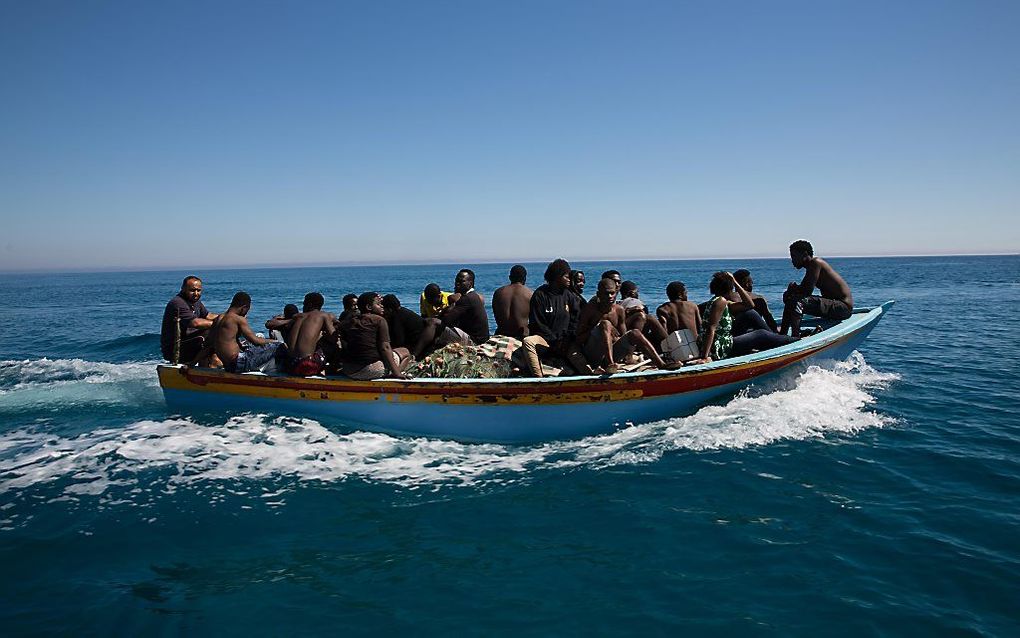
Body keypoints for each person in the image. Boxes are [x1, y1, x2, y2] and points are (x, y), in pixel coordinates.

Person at [576, 278, 679, 374]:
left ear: (616, 293)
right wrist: (598, 327)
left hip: (613, 352)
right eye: (606, 294)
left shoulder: (619, 310)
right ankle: (610, 364)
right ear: (599, 294)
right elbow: (579, 339)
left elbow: (623, 335)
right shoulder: (590, 310)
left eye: (612, 293)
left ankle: (661, 364)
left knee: (635, 333)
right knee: (605, 324)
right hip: (593, 355)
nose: (610, 297)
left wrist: (614, 337)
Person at [696, 272, 797, 363]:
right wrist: (705, 356)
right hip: (721, 347)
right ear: (729, 287)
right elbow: (711, 328)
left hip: (722, 342)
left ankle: (777, 340)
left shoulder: (720, 301)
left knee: (749, 313)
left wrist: (735, 282)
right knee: (761, 334)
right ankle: (794, 342)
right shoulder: (720, 302)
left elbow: (749, 305)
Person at [520, 258, 582, 377]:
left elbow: (575, 319)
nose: (570, 279)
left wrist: (566, 339)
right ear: (557, 277)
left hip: (565, 342)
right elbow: (538, 324)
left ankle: (591, 376)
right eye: (566, 276)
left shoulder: (569, 295)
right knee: (528, 342)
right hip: (546, 341)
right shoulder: (540, 295)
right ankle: (538, 378)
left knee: (581, 362)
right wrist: (554, 340)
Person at [780, 240, 854, 337]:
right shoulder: (811, 267)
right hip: (834, 306)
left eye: (794, 256)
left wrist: (794, 289)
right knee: (790, 298)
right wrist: (792, 291)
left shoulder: (816, 263)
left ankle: (795, 336)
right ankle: (782, 334)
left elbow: (807, 291)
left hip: (843, 307)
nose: (792, 261)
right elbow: (804, 289)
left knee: (796, 301)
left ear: (805, 254)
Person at [341, 292, 412, 380]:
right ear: (369, 307)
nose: (382, 306)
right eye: (378, 304)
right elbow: (385, 348)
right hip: (367, 371)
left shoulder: (351, 321)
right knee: (405, 352)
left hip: (349, 370)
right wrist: (397, 373)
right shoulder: (379, 320)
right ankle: (395, 373)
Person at [208, 292, 283, 373]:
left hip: (228, 366)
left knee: (258, 338)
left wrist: (193, 362)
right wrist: (275, 341)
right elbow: (255, 341)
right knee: (279, 345)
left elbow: (208, 343)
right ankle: (282, 371)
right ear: (244, 307)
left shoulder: (218, 318)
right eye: (248, 309)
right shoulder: (237, 319)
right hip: (239, 363)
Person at [160, 276, 219, 364]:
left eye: (198, 290)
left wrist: (228, 318)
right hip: (175, 349)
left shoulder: (196, 302)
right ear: (183, 289)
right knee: (210, 332)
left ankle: (207, 367)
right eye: (192, 290)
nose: (196, 293)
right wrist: (222, 324)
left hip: (190, 343)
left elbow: (208, 315)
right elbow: (195, 323)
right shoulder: (177, 303)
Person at [284, 292, 337, 377]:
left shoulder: (298, 316)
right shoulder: (323, 315)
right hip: (306, 366)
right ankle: (333, 369)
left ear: (310, 304)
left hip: (290, 365)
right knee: (332, 345)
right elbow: (333, 338)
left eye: (304, 304)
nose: (303, 306)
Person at [435, 269, 490, 346]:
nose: (457, 284)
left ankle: (416, 354)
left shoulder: (467, 298)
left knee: (433, 323)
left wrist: (447, 309)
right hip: (480, 339)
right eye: (456, 281)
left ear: (470, 283)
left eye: (461, 281)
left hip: (474, 341)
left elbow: (446, 320)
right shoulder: (473, 296)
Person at [381, 294, 439, 358]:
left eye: (384, 309)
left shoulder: (397, 318)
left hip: (422, 345)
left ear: (389, 310)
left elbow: (399, 341)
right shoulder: (402, 312)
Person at [619, 280, 669, 349]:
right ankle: (670, 344)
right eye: (637, 292)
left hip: (623, 333)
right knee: (651, 318)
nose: (638, 294)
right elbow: (645, 317)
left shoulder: (618, 304)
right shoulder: (635, 302)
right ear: (632, 293)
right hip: (633, 336)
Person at [492, 265, 533, 340]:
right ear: (525, 278)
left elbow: (496, 314)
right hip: (521, 337)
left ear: (510, 277)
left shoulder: (498, 292)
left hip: (501, 335)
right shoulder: (529, 294)